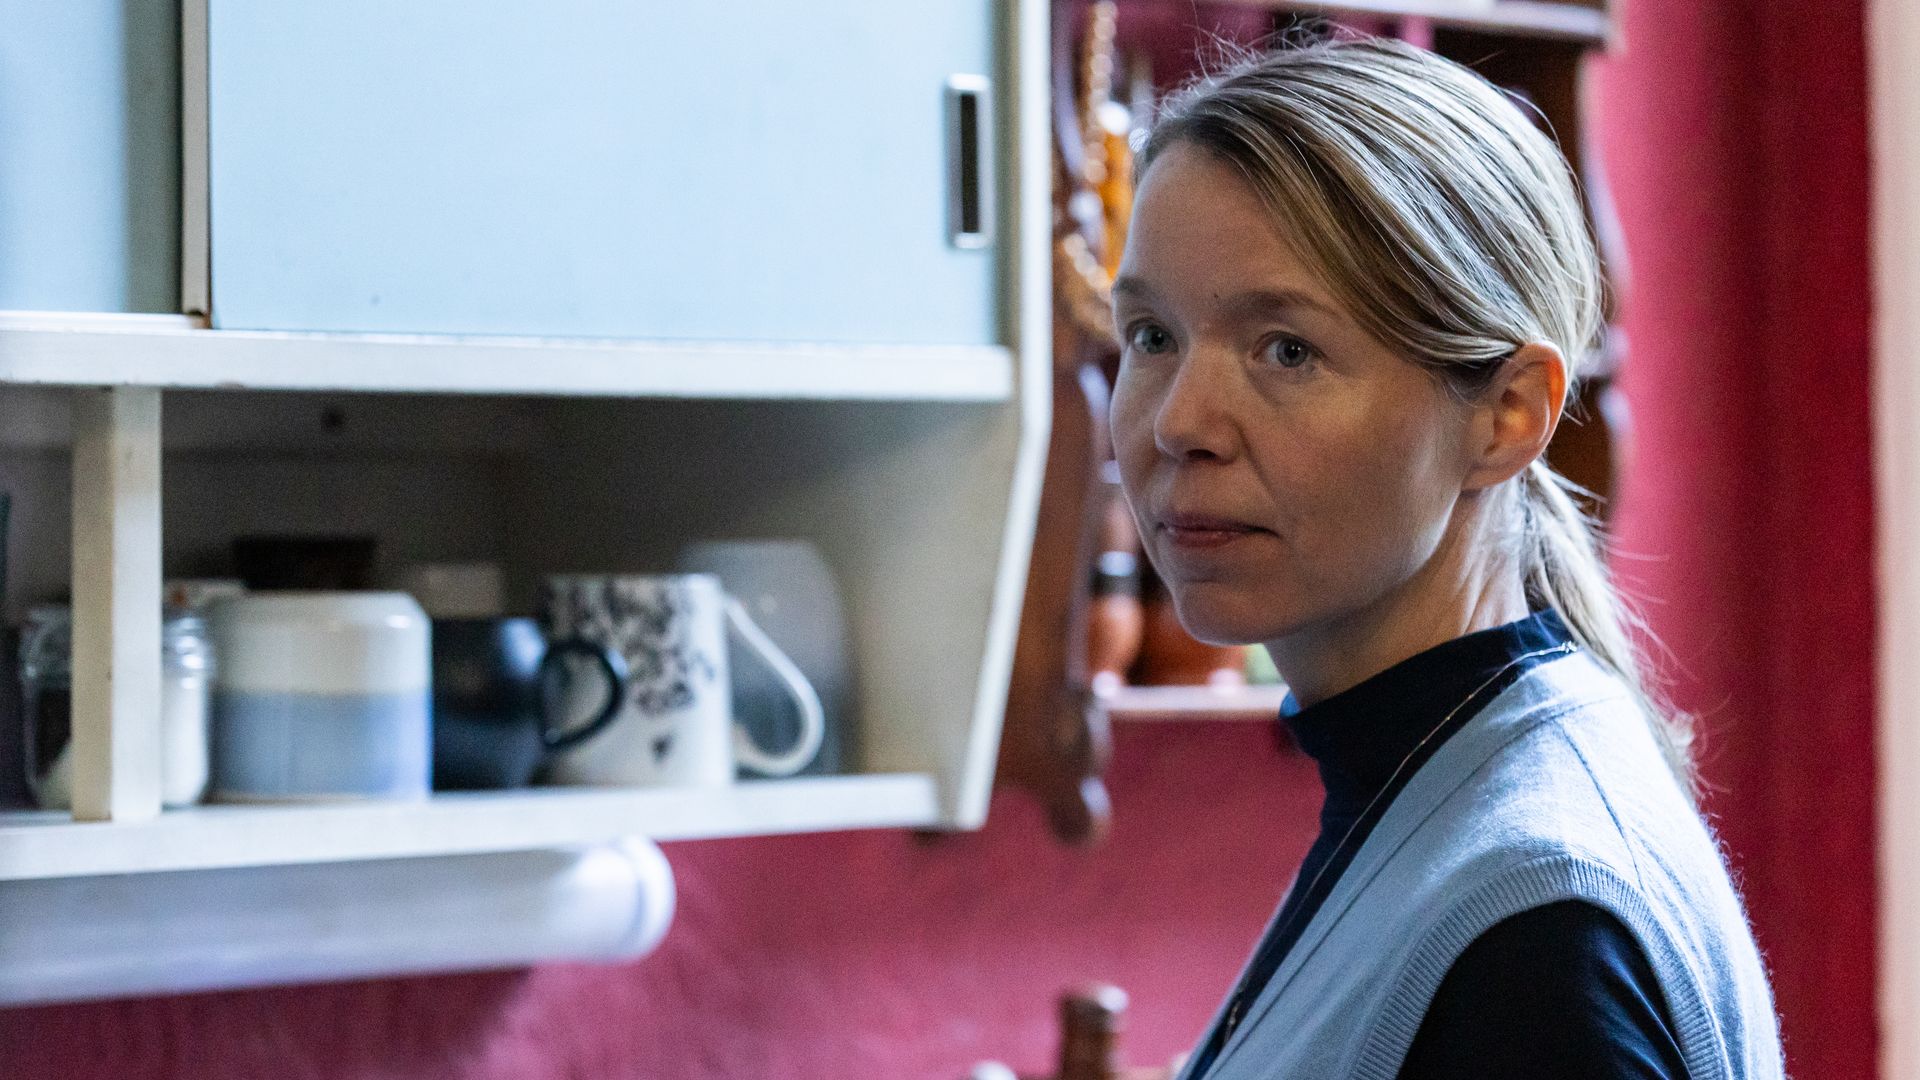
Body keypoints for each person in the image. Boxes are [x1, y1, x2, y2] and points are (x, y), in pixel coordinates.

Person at [1107, 37, 1784, 1080]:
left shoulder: (1535, 937)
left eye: (1286, 349)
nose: (1180, 422)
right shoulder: (1433, 788)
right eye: (1151, 337)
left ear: (1509, 415)